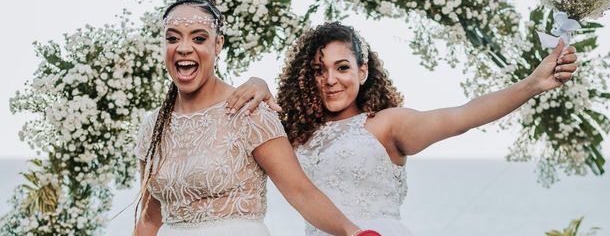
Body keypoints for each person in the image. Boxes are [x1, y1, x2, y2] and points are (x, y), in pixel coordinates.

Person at [227, 21, 578, 235]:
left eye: (342, 67)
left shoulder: (386, 124)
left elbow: (462, 117)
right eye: (320, 70)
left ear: (362, 72)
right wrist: (258, 80)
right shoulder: (295, 134)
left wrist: (532, 84)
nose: (330, 79)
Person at [133, 0, 379, 236]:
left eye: (198, 39)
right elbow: (150, 219)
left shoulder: (249, 110)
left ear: (218, 44)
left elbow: (300, 192)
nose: (184, 48)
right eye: (173, 38)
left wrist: (354, 232)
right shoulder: (152, 127)